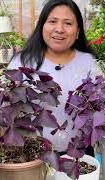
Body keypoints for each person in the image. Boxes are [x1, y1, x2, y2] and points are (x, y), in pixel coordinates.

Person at [8, 0, 99, 154]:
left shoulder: (89, 62)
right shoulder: (21, 62)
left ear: (78, 31)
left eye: (68, 23)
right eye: (52, 21)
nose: (59, 29)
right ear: (41, 26)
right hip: (31, 155)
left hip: (79, 154)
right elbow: (4, 108)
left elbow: (101, 107)